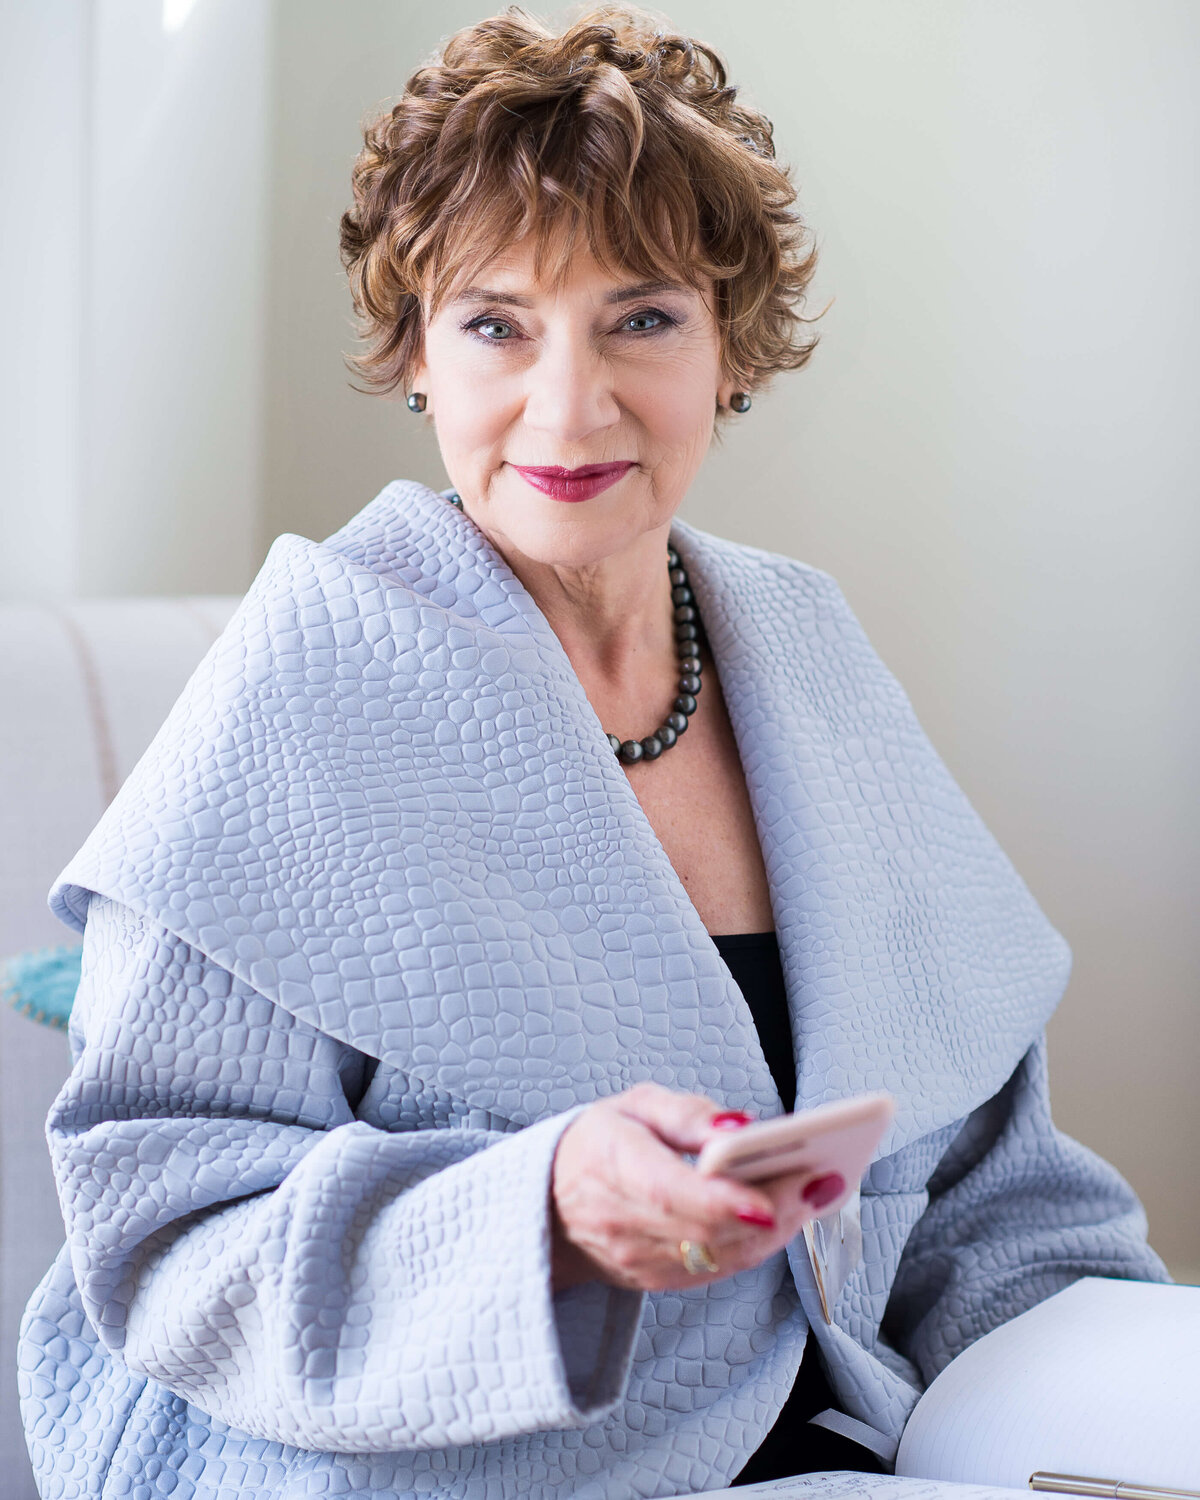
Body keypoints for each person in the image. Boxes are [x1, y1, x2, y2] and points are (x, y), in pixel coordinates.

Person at [19, 7, 1166, 1499]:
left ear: (727, 347)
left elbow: (983, 1189)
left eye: (641, 319)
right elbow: (168, 1230)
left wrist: (1136, 1373)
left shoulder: (802, 653)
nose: (571, 405)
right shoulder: (302, 683)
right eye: (497, 324)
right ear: (415, 353)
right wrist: (540, 1217)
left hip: (822, 1444)